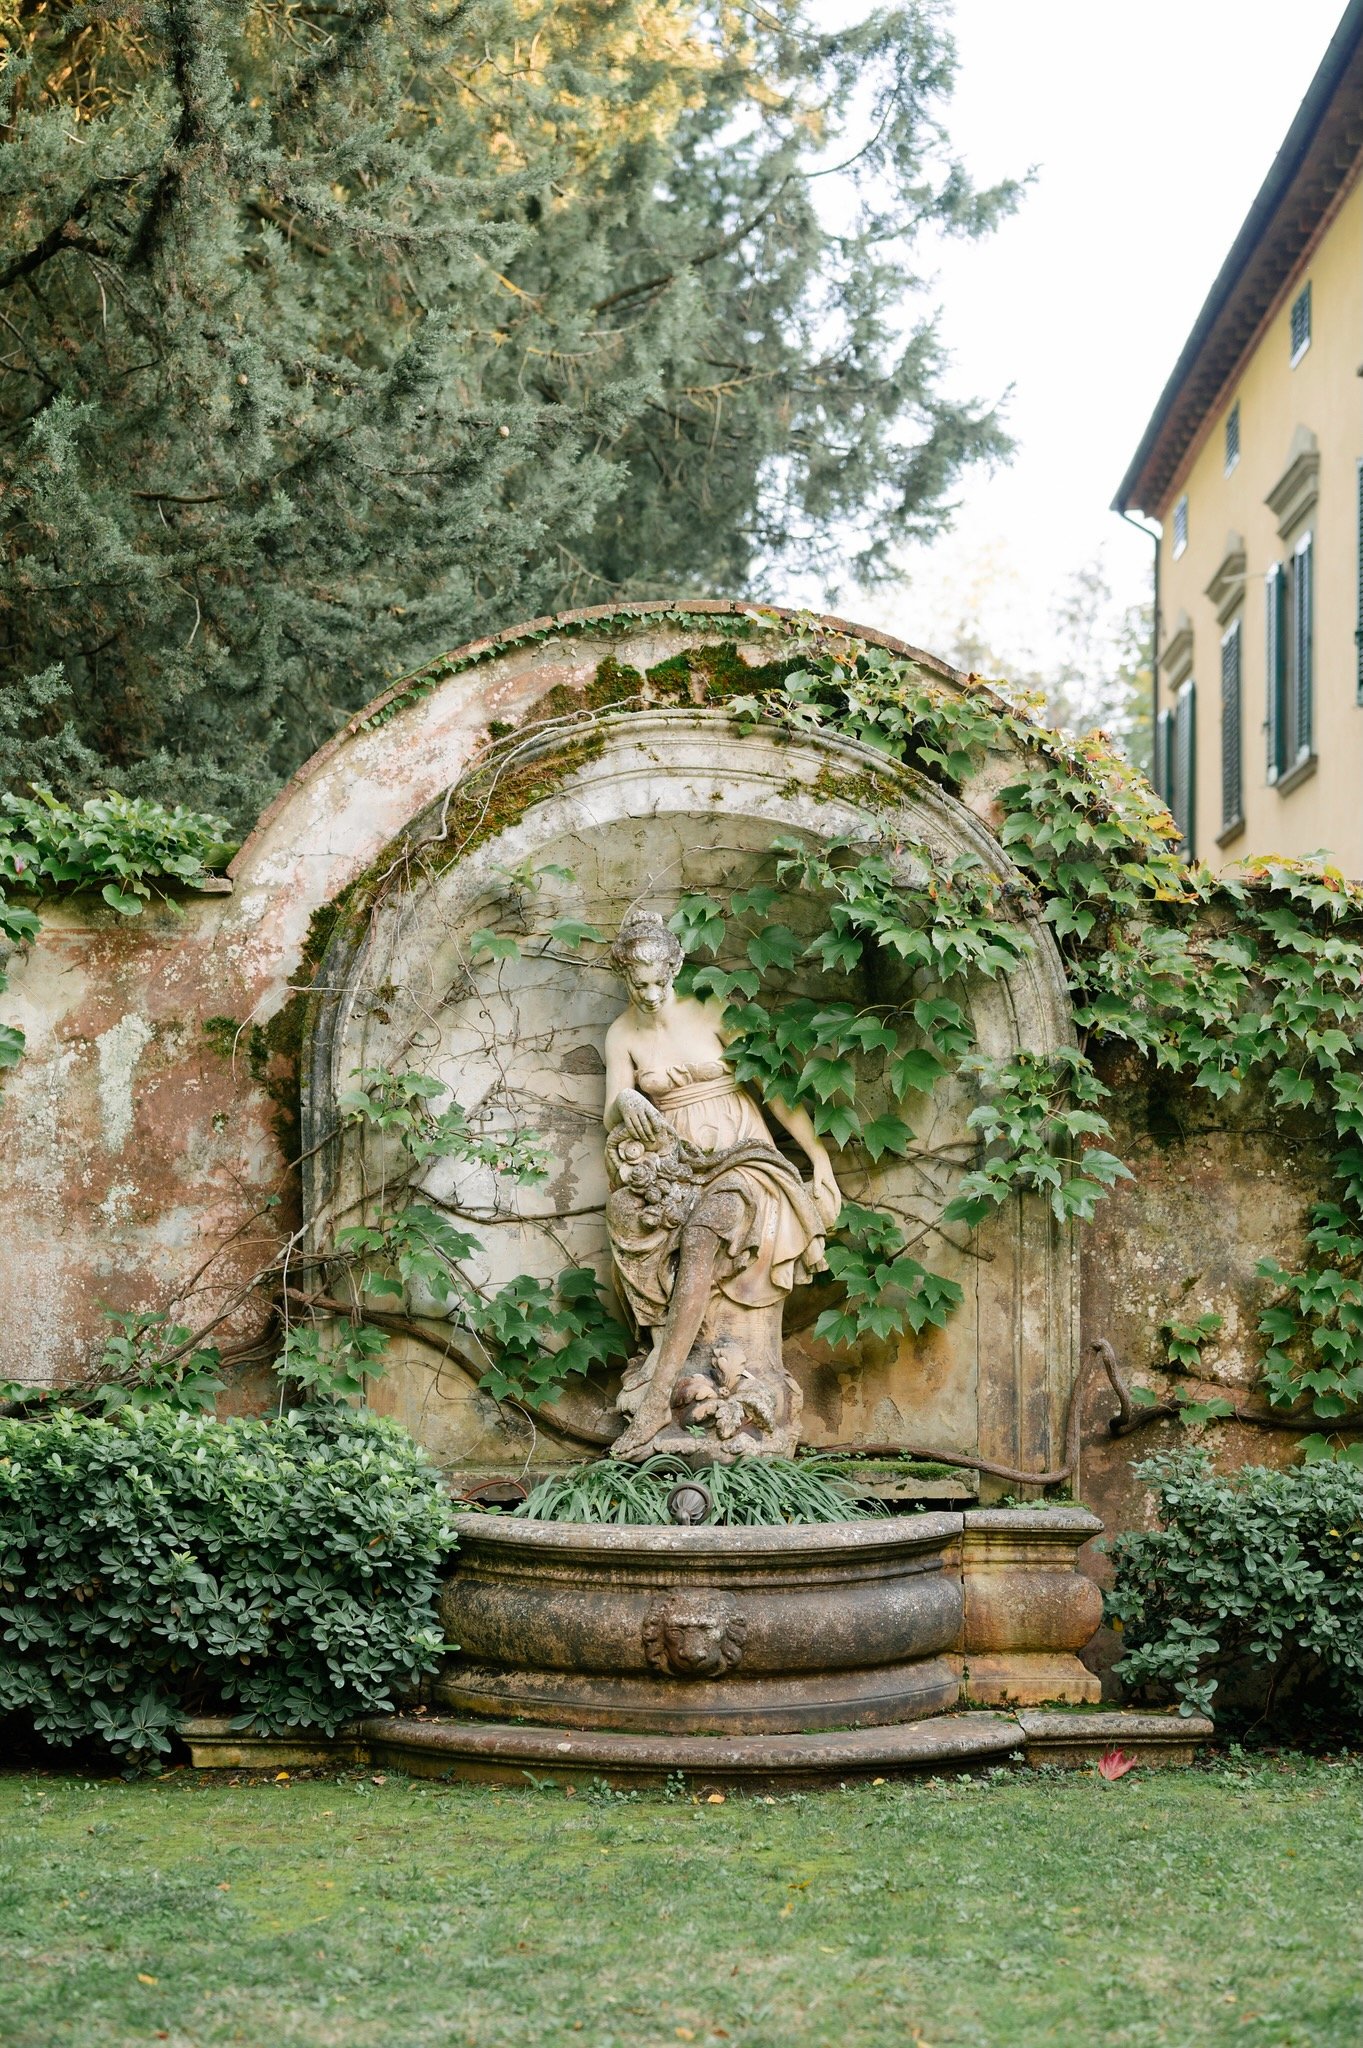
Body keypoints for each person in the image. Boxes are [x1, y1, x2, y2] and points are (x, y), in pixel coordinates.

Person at [602, 906, 839, 1457]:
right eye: (639, 984)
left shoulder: (714, 1009)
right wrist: (629, 1099)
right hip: (675, 1164)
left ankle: (661, 1395)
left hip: (744, 1157)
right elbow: (609, 1118)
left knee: (705, 1233)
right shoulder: (623, 1034)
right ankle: (665, 1369)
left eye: (660, 981)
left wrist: (818, 1159)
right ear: (625, 977)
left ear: (677, 966)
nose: (652, 994)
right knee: (625, 1213)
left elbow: (775, 1090)